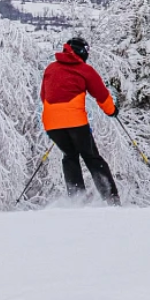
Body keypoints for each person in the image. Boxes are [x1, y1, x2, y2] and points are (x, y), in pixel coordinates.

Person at [40, 36, 121, 204]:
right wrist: (111, 111)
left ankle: (77, 200)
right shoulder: (85, 70)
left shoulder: (50, 68)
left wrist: (58, 117)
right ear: (83, 52)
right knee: (92, 157)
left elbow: (44, 96)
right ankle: (111, 200)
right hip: (76, 123)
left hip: (52, 124)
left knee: (69, 156)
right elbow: (102, 95)